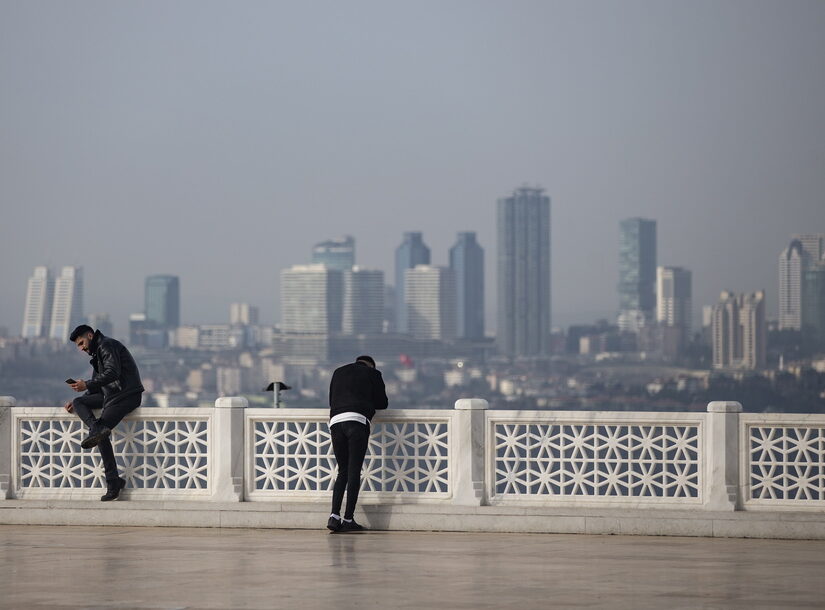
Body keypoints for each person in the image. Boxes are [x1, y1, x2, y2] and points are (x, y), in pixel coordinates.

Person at [63, 325, 144, 501]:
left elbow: (112, 372)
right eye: (78, 346)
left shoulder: (107, 346)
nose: (81, 348)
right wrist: (80, 399)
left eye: (81, 343)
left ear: (90, 336)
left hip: (126, 395)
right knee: (79, 402)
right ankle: (96, 429)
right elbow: (97, 386)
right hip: (111, 396)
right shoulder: (97, 353)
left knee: (100, 433)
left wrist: (86, 384)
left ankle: (113, 482)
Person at [326, 354, 388, 533]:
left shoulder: (338, 372)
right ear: (371, 366)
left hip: (336, 422)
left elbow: (332, 400)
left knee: (342, 471)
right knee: (354, 471)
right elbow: (382, 403)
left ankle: (334, 516)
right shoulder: (373, 374)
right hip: (357, 421)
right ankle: (348, 519)